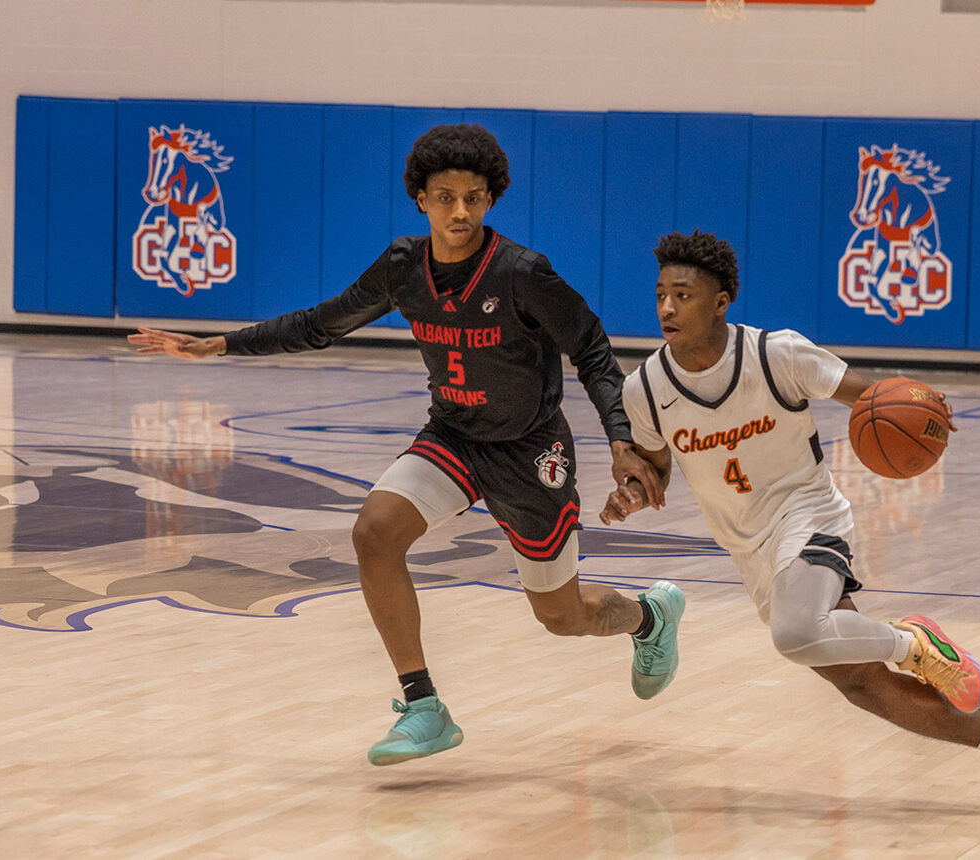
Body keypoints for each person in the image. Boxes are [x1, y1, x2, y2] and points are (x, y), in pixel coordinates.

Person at [128, 124, 684, 765]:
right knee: (374, 532)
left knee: (560, 617)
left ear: (490, 199)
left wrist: (621, 440)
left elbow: (591, 348)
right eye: (445, 197)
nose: (460, 212)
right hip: (452, 435)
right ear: (421, 198)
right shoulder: (403, 267)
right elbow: (321, 323)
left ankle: (649, 617)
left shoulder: (522, 273)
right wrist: (220, 344)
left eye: (474, 197)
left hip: (530, 451)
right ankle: (424, 706)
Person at [599, 231, 980, 815]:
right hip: (748, 549)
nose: (667, 308)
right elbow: (657, 469)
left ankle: (914, 642)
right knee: (860, 684)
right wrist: (632, 491)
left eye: (683, 294)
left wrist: (920, 405)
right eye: (660, 295)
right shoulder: (644, 388)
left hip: (809, 515)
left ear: (721, 302)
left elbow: (870, 396)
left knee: (795, 634)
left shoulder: (777, 355)